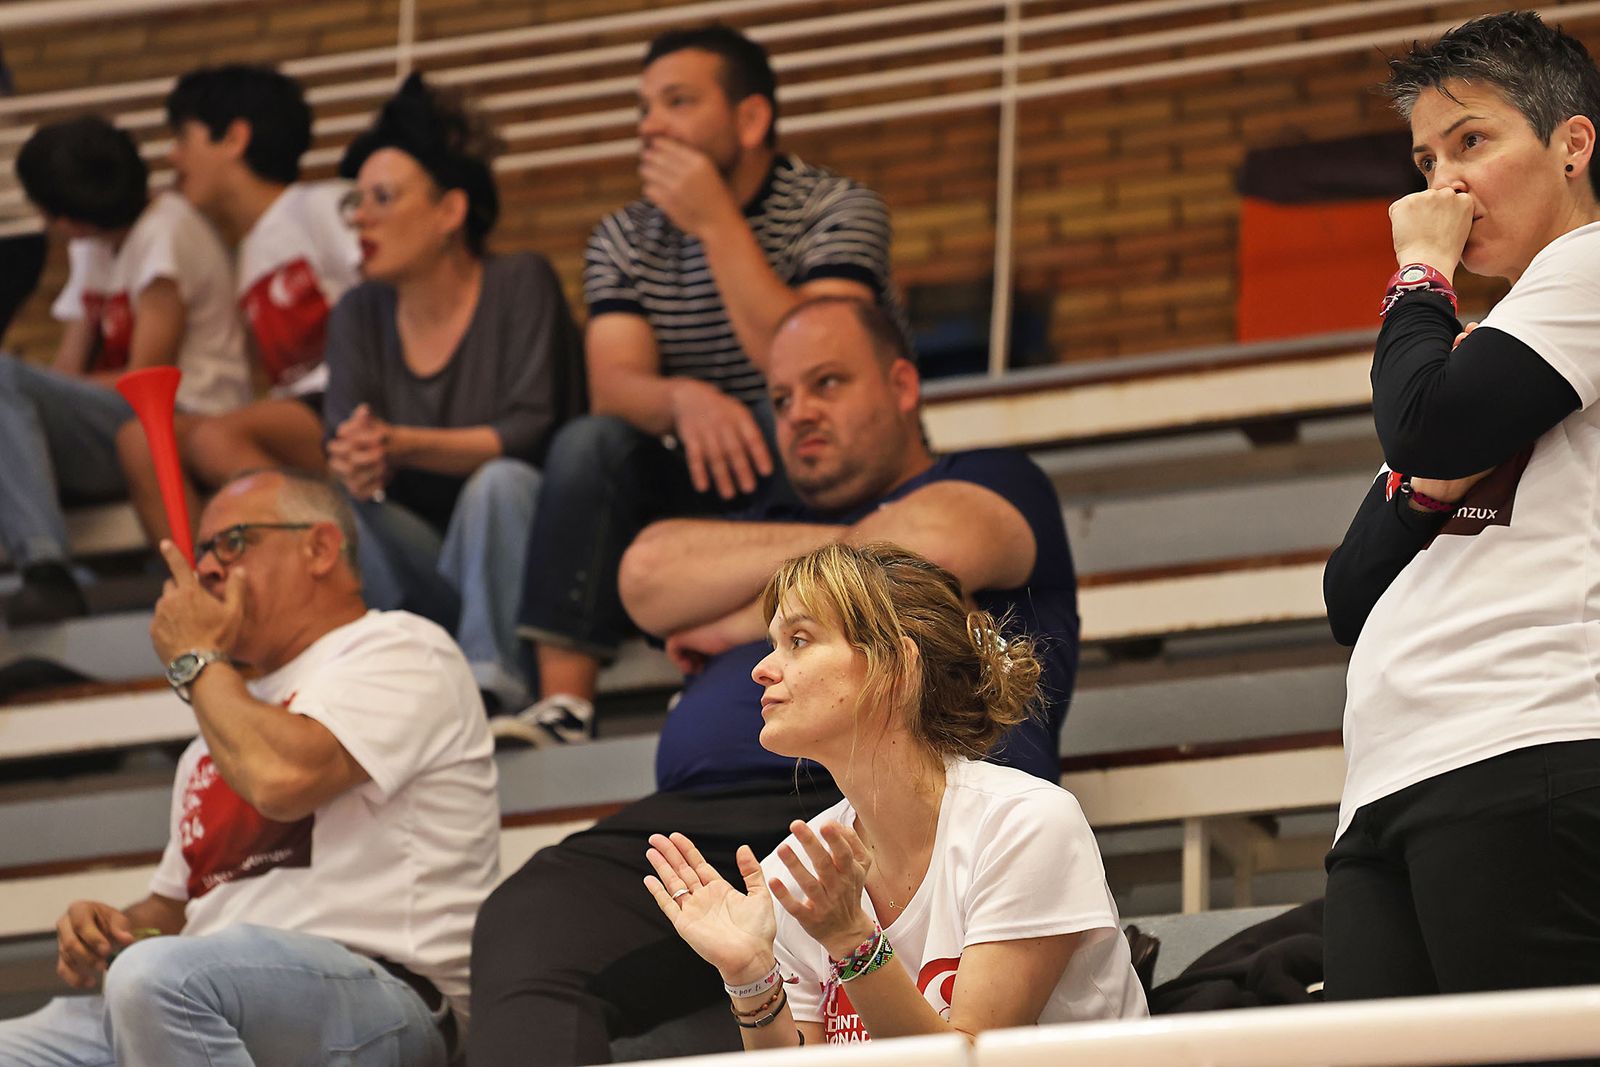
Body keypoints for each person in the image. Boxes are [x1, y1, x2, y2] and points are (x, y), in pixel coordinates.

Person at [468, 296, 1078, 1065]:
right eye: (781, 398)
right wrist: (754, 977)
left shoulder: (993, 475)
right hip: (733, 817)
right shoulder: (800, 854)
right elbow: (647, 573)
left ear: (901, 384)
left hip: (910, 790)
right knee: (531, 913)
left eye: (827, 383)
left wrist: (745, 600)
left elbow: (940, 538)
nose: (798, 414)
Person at [0, 469, 499, 1065]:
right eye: (202, 551)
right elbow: (176, 915)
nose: (207, 568)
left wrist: (196, 657)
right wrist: (111, 927)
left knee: (157, 980)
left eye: (232, 542)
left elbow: (282, 783)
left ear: (318, 548)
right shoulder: (214, 733)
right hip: (208, 993)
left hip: (381, 996)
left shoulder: (403, 649)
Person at [498, 23, 903, 746]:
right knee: (589, 442)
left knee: (790, 412)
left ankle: (774, 642)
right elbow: (616, 385)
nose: (651, 126)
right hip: (692, 462)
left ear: (751, 119)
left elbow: (809, 352)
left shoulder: (836, 209)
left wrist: (717, 222)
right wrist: (682, 399)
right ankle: (564, 702)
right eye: (644, 108)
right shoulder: (624, 236)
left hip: (804, 461)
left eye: (677, 102)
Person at [1321, 11, 1600, 1003]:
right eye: (1424, 157)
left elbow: (1426, 431)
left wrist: (1417, 275)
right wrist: (1423, 468)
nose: (1439, 185)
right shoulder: (1486, 334)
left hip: (1525, 736)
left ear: (1572, 144)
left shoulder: (1590, 266)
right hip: (1390, 770)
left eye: (1470, 142)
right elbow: (1349, 587)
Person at [645, 541, 1145, 1048]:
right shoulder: (798, 871)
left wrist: (851, 941)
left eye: (798, 640)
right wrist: (750, 977)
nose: (762, 669)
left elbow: (968, 1065)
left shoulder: (1023, 822)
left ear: (897, 670)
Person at [324, 73, 584, 712]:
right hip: (422, 559)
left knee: (499, 484)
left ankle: (491, 685)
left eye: (382, 197)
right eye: (354, 202)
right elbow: (346, 438)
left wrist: (400, 444)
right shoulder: (358, 312)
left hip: (525, 556)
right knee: (332, 512)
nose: (361, 216)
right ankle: (374, 698)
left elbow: (528, 431)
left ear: (450, 210)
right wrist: (356, 459)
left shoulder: (519, 281)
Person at [0, 116, 250, 626]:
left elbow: (146, 379)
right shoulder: (93, 246)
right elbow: (69, 369)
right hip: (117, 424)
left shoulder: (166, 229)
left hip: (182, 415)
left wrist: (25, 390)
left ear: (67, 216)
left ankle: (47, 568)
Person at [116, 64, 363, 546]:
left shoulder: (322, 205)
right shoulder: (244, 255)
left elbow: (388, 293)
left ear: (234, 138)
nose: (173, 157)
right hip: (297, 412)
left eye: (183, 139)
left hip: (351, 399)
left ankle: (332, 552)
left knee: (213, 439)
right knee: (141, 439)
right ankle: (195, 594)